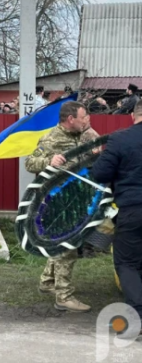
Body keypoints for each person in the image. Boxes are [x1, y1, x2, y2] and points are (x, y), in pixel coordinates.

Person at [25, 101, 92, 312]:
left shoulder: (78, 136)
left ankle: (47, 281)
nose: (86, 121)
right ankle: (64, 296)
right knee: (68, 248)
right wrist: (48, 161)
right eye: (82, 117)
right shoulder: (51, 139)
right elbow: (29, 162)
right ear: (71, 119)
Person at [92, 100, 142, 324]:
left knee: (128, 263)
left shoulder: (120, 139)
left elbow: (100, 174)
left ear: (133, 115)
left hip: (133, 209)